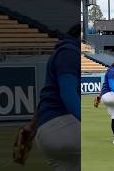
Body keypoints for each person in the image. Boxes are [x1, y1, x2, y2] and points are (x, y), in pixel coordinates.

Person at [18, 23, 80, 171]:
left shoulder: (64, 52)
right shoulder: (69, 52)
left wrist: (32, 126)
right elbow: (68, 93)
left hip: (50, 130)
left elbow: (46, 98)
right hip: (62, 125)